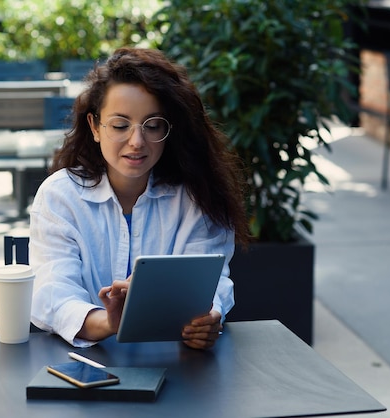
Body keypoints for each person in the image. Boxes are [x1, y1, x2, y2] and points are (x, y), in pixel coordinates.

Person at [29, 47, 250, 350]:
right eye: (120, 125)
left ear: (169, 129)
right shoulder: (60, 196)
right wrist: (108, 322)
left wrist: (206, 319)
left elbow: (209, 284)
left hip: (176, 366)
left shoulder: (197, 196)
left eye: (153, 125)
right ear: (95, 127)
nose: (137, 142)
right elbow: (52, 292)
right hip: (86, 365)